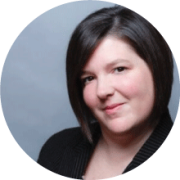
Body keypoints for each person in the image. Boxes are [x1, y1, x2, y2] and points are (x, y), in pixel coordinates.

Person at [37, 5, 174, 179]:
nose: (102, 91)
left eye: (119, 69)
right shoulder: (56, 150)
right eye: (88, 78)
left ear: (157, 66)